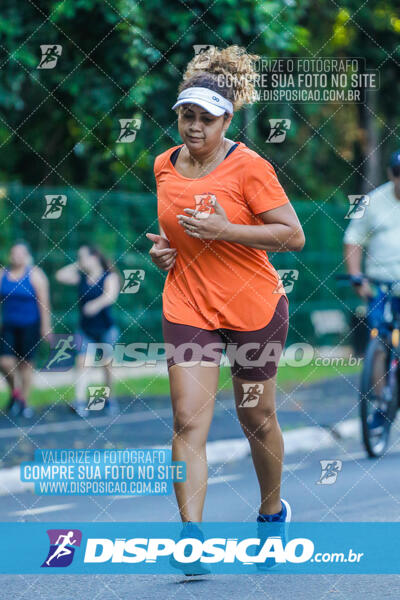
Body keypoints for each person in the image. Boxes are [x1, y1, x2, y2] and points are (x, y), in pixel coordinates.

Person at [146, 45, 305, 572]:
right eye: (186, 115)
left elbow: (293, 236)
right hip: (189, 303)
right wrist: (165, 252)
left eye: (205, 119)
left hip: (253, 306)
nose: (193, 127)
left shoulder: (249, 166)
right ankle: (190, 539)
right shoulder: (164, 166)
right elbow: (176, 234)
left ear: (226, 119)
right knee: (187, 420)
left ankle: (272, 513)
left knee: (255, 416)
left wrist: (226, 231)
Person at [55, 245, 121, 416]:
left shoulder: (109, 276)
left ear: (94, 257)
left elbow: (110, 295)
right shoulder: (80, 277)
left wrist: (95, 304)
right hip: (85, 329)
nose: (80, 260)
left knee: (107, 366)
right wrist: (78, 264)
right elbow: (60, 276)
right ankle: (80, 401)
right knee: (82, 363)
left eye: (83, 256)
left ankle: (109, 398)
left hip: (106, 329)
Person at [344, 149, 400, 328]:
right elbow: (353, 237)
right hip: (380, 285)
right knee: (378, 336)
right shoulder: (372, 201)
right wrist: (355, 276)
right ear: (390, 173)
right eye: (398, 172)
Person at [0, 241, 52, 417]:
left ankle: (24, 401)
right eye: (14, 253)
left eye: (20, 253)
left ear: (27, 255)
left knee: (26, 364)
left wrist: (46, 327)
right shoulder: (2, 274)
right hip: (9, 325)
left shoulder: (35, 274)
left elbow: (44, 302)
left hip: (30, 324)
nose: (16, 257)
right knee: (5, 362)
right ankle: (16, 391)